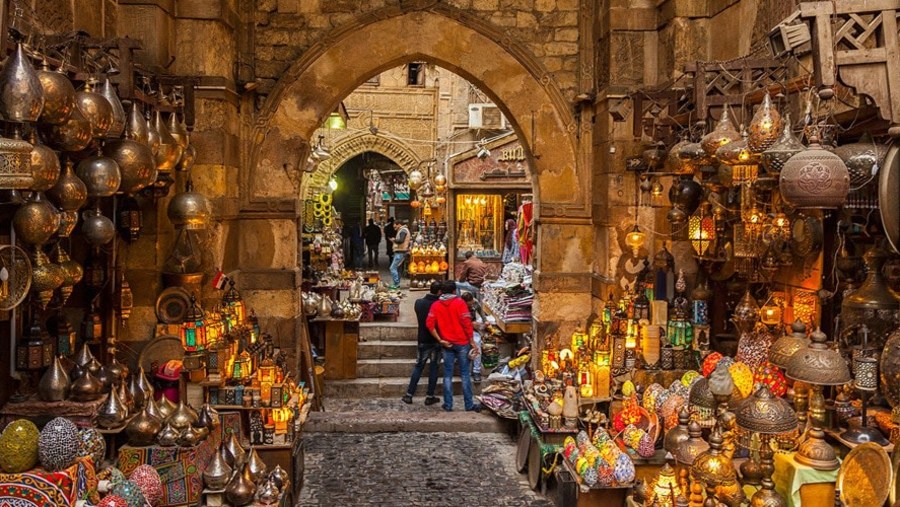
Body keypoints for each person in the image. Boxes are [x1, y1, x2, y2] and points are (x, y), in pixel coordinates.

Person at [426, 280, 481, 412]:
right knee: (465, 374)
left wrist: (440, 340)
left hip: (447, 343)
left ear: (441, 291)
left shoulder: (436, 305)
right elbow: (467, 324)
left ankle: (448, 404)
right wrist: (472, 342)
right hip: (462, 343)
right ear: (453, 291)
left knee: (447, 375)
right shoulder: (460, 303)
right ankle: (468, 404)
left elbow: (429, 325)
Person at [402, 281, 442, 405]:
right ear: (440, 292)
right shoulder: (439, 305)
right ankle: (430, 395)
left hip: (423, 340)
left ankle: (409, 394)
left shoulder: (419, 303)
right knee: (434, 367)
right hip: (436, 340)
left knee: (419, 366)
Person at [460, 292, 486, 383]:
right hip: (461, 329)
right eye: (468, 304)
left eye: (471, 303)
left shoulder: (475, 303)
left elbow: (481, 312)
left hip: (472, 329)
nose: (470, 306)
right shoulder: (459, 306)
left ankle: (476, 371)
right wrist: (471, 324)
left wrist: (485, 321)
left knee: (477, 343)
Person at [388, 220, 410, 289]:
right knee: (398, 268)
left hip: (400, 252)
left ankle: (396, 284)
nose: (394, 227)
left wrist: (394, 240)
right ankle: (397, 283)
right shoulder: (403, 230)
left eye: (395, 225)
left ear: (399, 224)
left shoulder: (403, 230)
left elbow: (401, 240)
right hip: (400, 252)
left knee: (392, 268)